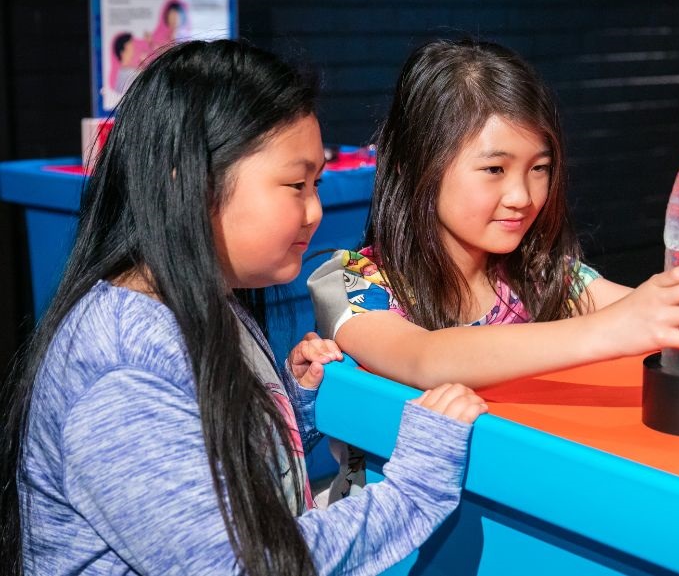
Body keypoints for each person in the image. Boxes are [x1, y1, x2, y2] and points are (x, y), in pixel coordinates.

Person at [1, 40, 486, 576]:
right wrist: (417, 486)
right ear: (190, 185)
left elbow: (207, 468)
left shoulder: (201, 302)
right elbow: (242, 564)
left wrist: (287, 409)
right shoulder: (120, 369)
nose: (315, 211)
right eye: (295, 185)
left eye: (317, 184)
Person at [308, 38, 679, 391]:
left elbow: (641, 312)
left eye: (539, 168)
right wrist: (620, 327)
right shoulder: (354, 284)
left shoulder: (543, 275)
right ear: (416, 165)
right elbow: (425, 359)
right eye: (494, 168)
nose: (522, 196)